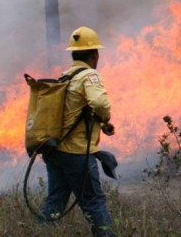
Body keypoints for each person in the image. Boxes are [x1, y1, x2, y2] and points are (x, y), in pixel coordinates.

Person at [39, 26, 117, 237]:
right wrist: (106, 117)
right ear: (94, 54)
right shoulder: (89, 75)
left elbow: (72, 113)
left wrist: (100, 123)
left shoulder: (66, 76)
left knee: (55, 201)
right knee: (94, 203)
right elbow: (100, 103)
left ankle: (37, 231)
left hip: (55, 152)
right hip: (76, 154)